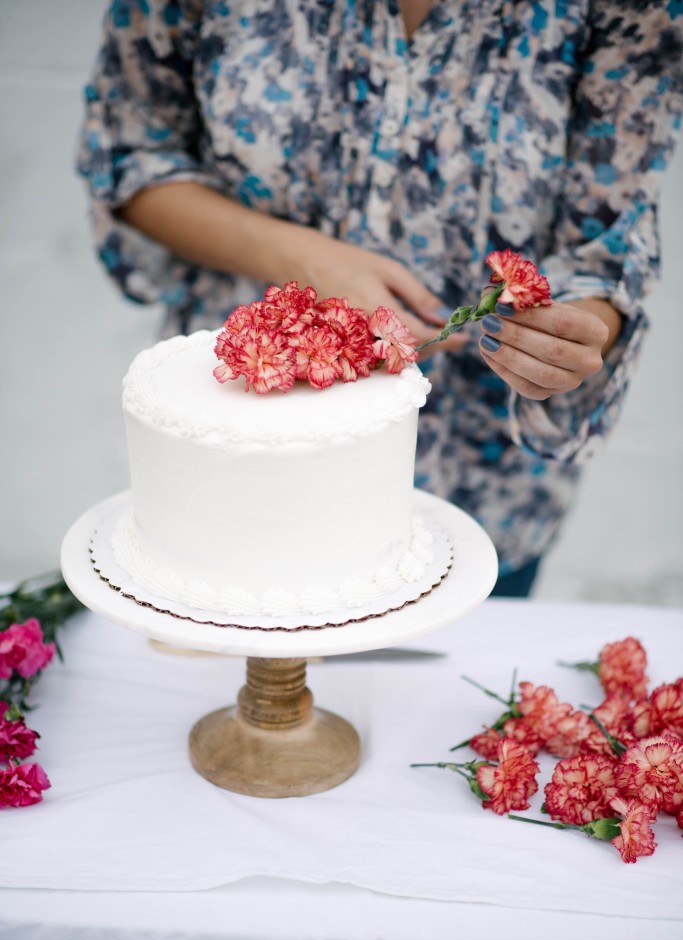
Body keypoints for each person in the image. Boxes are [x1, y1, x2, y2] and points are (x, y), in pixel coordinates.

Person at [77, 0, 682, 597]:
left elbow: (608, 244)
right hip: (238, 468)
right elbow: (128, 154)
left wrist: (568, 336)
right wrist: (306, 261)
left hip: (478, 488)